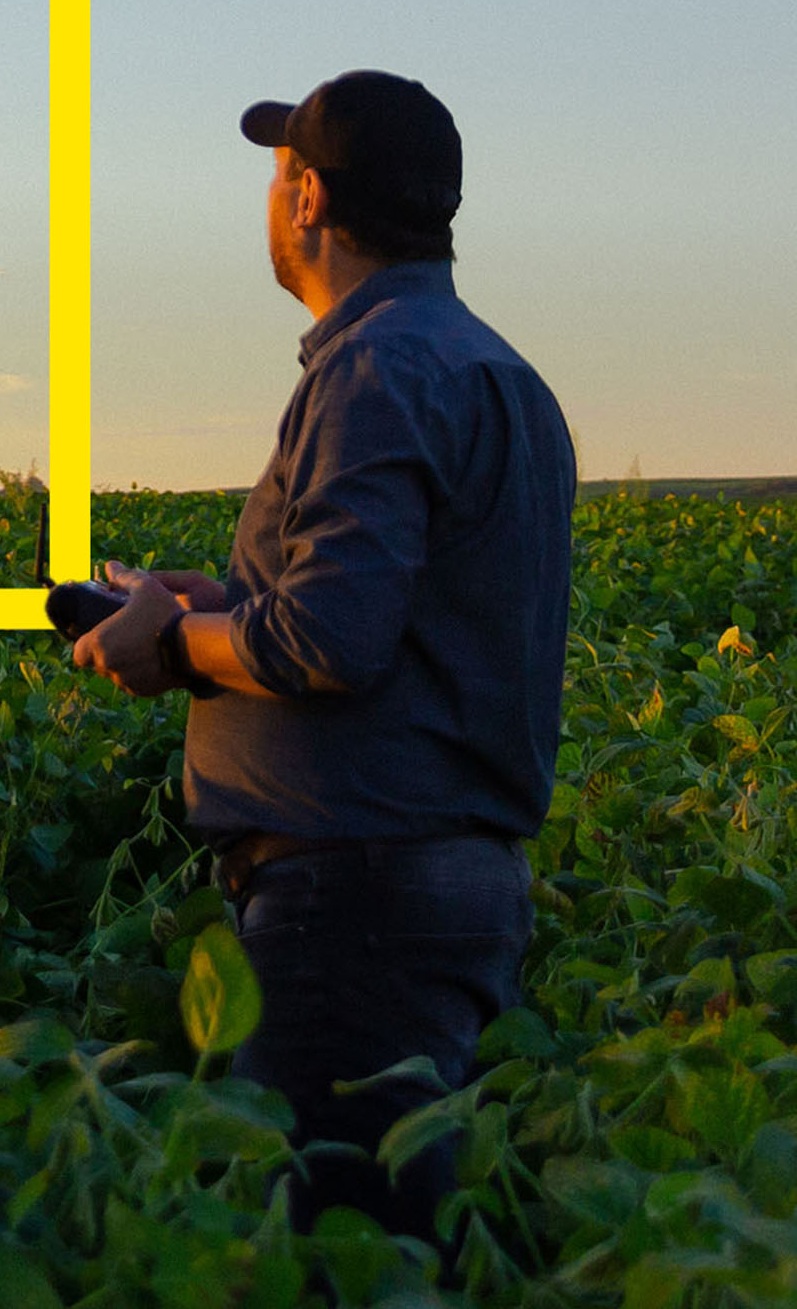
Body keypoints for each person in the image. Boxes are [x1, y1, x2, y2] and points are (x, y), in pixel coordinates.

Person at [69, 70, 572, 1239]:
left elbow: (329, 641)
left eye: (278, 170)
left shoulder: (375, 368)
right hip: (438, 874)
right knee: (395, 1240)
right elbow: (396, 613)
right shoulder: (498, 373)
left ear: (306, 197)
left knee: (346, 1274)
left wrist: (172, 644)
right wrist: (218, 601)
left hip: (357, 892)